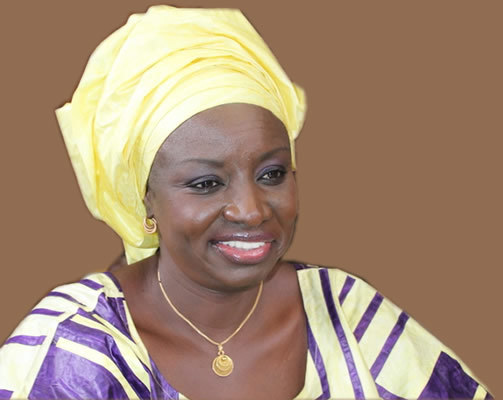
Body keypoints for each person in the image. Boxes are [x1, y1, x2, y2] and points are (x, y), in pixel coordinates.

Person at [0, 5, 493, 400]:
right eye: (205, 183)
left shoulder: (343, 311)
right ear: (145, 200)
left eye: (272, 174)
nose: (252, 210)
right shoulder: (76, 348)